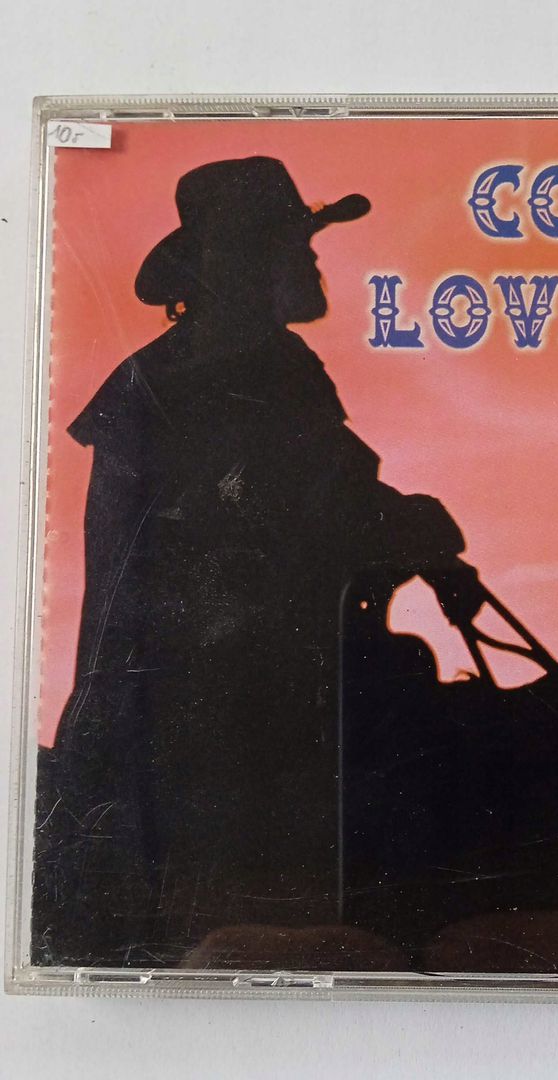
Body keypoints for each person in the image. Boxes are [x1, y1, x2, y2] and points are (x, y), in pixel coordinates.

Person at [32, 157, 481, 967]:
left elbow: (328, 493)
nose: (310, 258)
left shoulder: (170, 375)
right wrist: (424, 532)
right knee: (414, 723)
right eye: (295, 244)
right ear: (246, 263)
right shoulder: (250, 372)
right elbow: (324, 504)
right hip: (233, 694)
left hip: (157, 692)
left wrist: (416, 537)